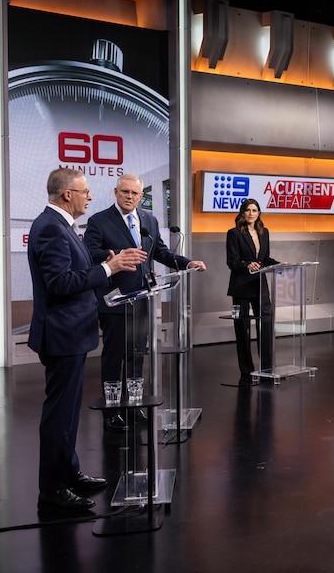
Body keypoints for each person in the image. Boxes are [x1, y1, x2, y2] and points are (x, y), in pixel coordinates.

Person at [28, 167, 148, 512]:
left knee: (68, 416)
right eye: (85, 191)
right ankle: (52, 488)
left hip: (72, 334)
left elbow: (74, 268)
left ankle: (69, 471)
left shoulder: (59, 225)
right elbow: (61, 283)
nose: (90, 197)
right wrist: (110, 269)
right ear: (68, 194)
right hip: (63, 334)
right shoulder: (51, 227)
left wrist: (102, 260)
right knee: (59, 415)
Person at [83, 174, 206, 432]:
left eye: (134, 193)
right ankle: (112, 411)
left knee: (137, 355)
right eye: (125, 192)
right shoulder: (98, 221)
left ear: (141, 196)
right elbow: (88, 253)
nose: (129, 197)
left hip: (143, 300)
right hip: (114, 300)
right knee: (115, 356)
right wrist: (113, 255)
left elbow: (159, 252)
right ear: (116, 193)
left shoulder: (148, 219)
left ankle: (136, 404)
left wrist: (186, 263)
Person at [226, 199, 279, 386]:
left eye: (254, 210)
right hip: (241, 287)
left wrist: (280, 265)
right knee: (243, 330)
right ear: (242, 212)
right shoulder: (233, 234)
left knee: (265, 327)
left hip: (260, 286)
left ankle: (266, 369)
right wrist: (247, 265)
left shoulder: (264, 233)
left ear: (259, 213)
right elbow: (232, 261)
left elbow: (265, 258)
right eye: (247, 210)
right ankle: (246, 372)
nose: (251, 213)